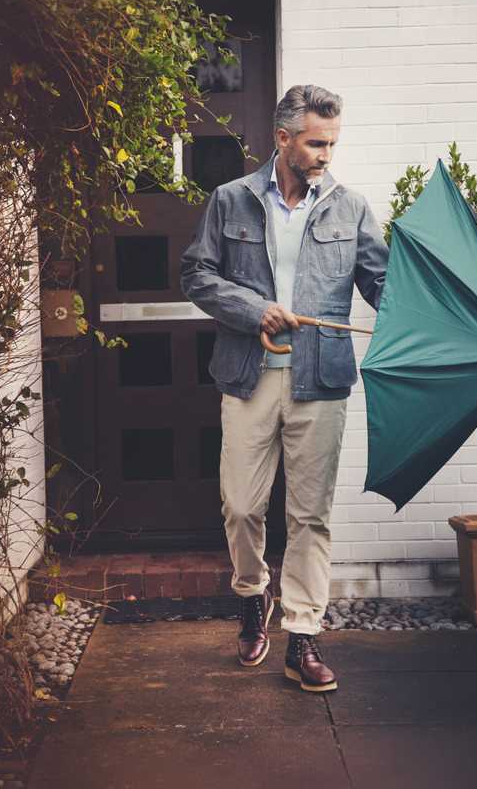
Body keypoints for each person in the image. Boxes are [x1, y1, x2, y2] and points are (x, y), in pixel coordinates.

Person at [180, 85, 389, 693]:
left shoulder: (351, 208)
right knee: (242, 506)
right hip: (247, 378)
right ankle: (252, 599)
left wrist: (432, 316)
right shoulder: (231, 200)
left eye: (331, 143)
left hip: (320, 381)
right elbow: (197, 273)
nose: (326, 154)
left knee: (310, 516)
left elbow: (380, 284)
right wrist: (254, 310)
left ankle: (303, 637)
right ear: (283, 139)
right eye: (316, 142)